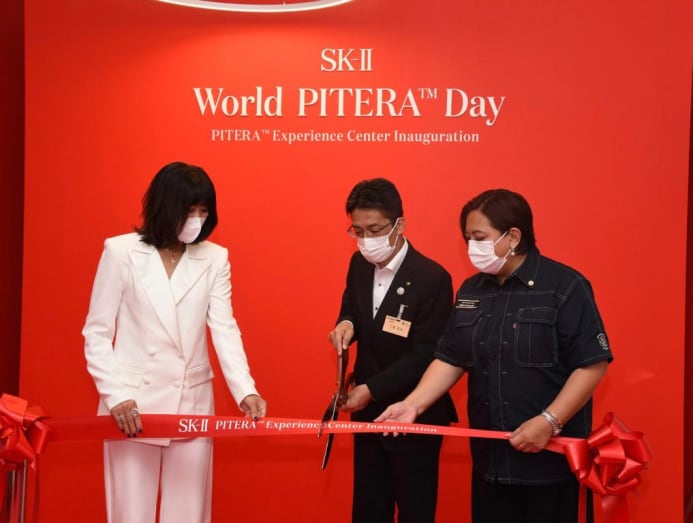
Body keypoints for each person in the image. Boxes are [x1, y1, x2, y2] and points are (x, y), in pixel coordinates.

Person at [375, 188, 613, 523]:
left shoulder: (565, 287)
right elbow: (451, 357)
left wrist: (549, 421)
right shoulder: (472, 291)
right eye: (467, 238)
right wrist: (412, 404)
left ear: (512, 236)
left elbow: (592, 365)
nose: (471, 247)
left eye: (479, 237)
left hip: (549, 466)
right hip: (490, 464)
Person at [83, 161, 266, 523]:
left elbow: (224, 328)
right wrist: (116, 396)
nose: (197, 220)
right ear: (165, 207)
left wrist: (246, 390)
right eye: (189, 210)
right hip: (131, 406)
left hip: (191, 402)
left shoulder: (215, 257)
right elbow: (97, 332)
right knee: (130, 515)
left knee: (188, 514)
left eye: (203, 211)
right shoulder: (120, 252)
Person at [328, 178, 457, 523]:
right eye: (357, 231)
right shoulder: (358, 265)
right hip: (366, 414)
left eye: (375, 230)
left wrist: (372, 389)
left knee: (415, 511)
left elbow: (427, 353)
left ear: (400, 224)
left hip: (415, 412)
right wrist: (346, 325)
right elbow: (352, 309)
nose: (366, 240)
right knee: (368, 508)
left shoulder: (432, 278)